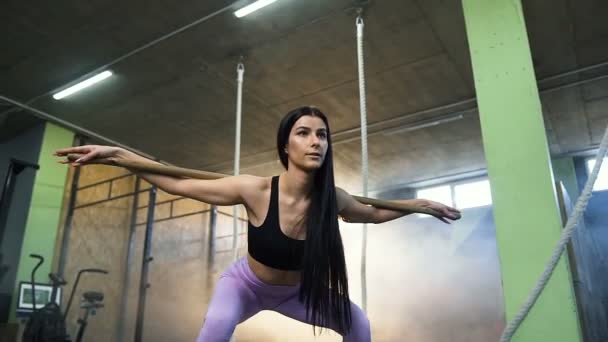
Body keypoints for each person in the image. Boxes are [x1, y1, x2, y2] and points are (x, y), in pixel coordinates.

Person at [54, 106, 460, 341]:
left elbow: (372, 214)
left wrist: (418, 203)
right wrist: (116, 155)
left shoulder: (331, 200)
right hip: (246, 286)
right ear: (287, 145)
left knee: (358, 323)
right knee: (215, 325)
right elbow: (177, 181)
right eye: (304, 133)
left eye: (322, 134)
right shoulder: (255, 190)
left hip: (301, 293)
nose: (316, 141)